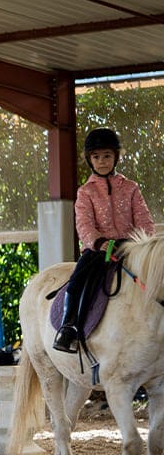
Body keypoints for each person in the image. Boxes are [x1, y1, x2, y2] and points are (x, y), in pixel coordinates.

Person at [53, 127, 155, 353]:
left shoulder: (131, 188)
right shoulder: (85, 192)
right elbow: (84, 224)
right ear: (90, 160)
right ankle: (68, 327)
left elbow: (144, 220)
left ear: (116, 157)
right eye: (96, 157)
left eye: (107, 156)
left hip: (130, 249)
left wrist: (143, 245)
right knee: (78, 279)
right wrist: (99, 243)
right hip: (98, 250)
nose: (102, 161)